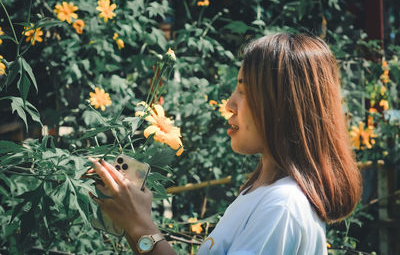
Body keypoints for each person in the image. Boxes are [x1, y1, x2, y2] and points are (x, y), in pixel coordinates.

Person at [89, 33, 362, 254]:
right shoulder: (259, 194)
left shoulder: (282, 206)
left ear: (283, 107)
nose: (229, 104)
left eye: (244, 91)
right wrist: (136, 222)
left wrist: (140, 226)